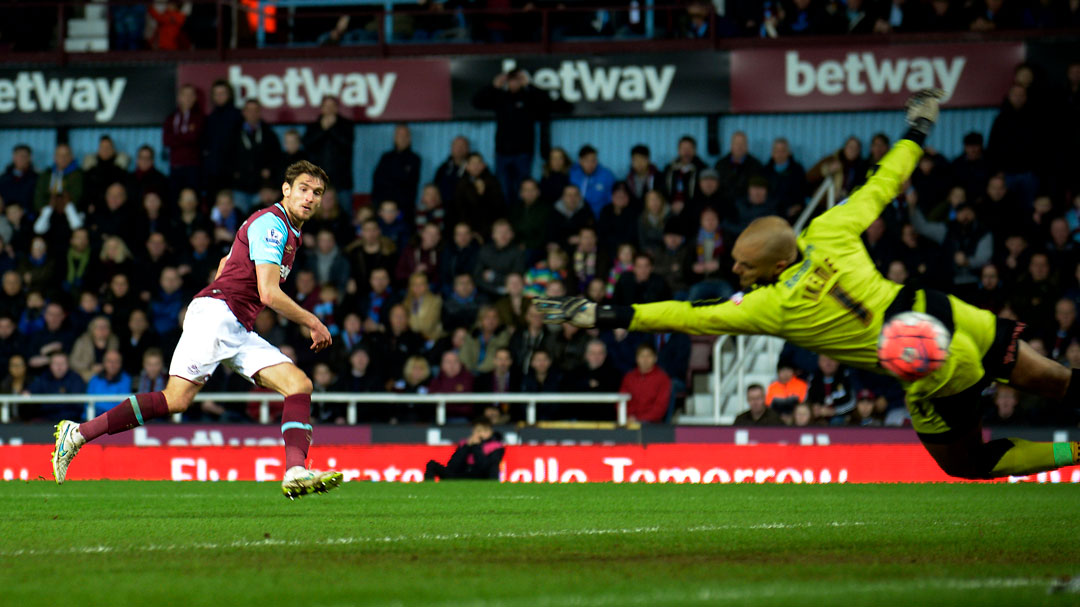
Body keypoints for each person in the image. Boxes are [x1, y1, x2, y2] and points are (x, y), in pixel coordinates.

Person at [537, 90, 1080, 480]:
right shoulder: (829, 229)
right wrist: (917, 129)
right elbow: (884, 181)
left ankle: (1074, 452)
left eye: (744, 268)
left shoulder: (772, 307)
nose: (736, 275)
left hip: (928, 365)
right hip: (944, 312)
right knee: (1057, 381)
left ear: (772, 268)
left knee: (969, 464)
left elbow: (687, 315)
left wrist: (603, 314)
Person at [52, 161, 343, 499]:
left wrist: (226, 285)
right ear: (286, 189)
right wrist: (313, 321)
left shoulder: (289, 230)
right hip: (220, 316)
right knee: (177, 399)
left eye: (317, 192)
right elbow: (268, 293)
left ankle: (295, 471)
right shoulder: (273, 226)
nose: (309, 197)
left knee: (295, 384)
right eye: (303, 188)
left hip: (232, 321)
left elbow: (226, 263)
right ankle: (78, 434)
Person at [472, 68, 567, 202]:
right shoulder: (500, 97)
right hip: (502, 153)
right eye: (511, 80)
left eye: (517, 80)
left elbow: (546, 101)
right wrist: (494, 86)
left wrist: (529, 85)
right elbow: (477, 102)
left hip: (523, 153)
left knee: (522, 190)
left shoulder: (529, 98)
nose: (514, 83)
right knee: (503, 190)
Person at [303, 97, 354, 217]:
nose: (329, 109)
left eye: (332, 106)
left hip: (342, 181)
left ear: (337, 108)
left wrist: (331, 128)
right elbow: (307, 144)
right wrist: (323, 129)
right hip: (318, 181)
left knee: (345, 215)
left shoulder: (346, 126)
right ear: (321, 108)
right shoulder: (314, 126)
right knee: (315, 215)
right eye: (326, 106)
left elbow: (346, 144)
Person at [231, 99, 282, 213]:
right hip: (240, 186)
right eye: (249, 110)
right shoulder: (234, 133)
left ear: (260, 112)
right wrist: (234, 173)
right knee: (241, 221)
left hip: (261, 188)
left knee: (259, 219)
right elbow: (227, 156)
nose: (252, 113)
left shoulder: (269, 133)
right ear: (244, 112)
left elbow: (277, 157)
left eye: (255, 110)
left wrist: (269, 170)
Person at [424, 418, 505, 481]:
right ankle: (428, 489)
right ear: (473, 431)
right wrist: (466, 447)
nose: (481, 434)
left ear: (491, 432)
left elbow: (484, 466)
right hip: (462, 474)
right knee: (431, 464)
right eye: (478, 431)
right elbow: (452, 466)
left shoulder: (496, 446)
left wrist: (476, 446)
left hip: (481, 476)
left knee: (494, 465)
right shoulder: (464, 444)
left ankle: (492, 488)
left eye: (484, 431)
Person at [371, 124, 422, 219]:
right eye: (399, 135)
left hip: (404, 208)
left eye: (405, 135)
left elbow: (409, 183)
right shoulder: (386, 157)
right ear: (394, 138)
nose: (402, 138)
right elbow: (378, 181)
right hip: (384, 206)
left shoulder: (415, 159)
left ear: (409, 138)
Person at [162, 84, 204, 198]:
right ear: (179, 98)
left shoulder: (200, 118)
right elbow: (167, 141)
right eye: (185, 95)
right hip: (175, 166)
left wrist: (178, 137)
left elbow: (195, 138)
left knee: (194, 197)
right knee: (175, 199)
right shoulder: (171, 118)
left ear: (195, 98)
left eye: (191, 95)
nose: (188, 98)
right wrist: (186, 136)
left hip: (193, 167)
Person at [619, 342, 671, 424]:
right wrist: (630, 416)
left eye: (649, 356)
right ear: (636, 359)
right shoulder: (629, 377)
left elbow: (660, 407)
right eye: (642, 356)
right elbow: (621, 400)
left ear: (655, 358)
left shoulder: (663, 378)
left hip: (652, 425)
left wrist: (640, 419)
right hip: (629, 422)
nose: (645, 360)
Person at [569, 145, 616, 219]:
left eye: (593, 160)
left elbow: (611, 200)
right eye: (586, 161)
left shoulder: (606, 175)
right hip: (576, 218)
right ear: (580, 161)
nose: (590, 164)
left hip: (599, 218)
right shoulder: (573, 173)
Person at [86, 350, 132, 417]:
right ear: (104, 363)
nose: (112, 365)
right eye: (109, 361)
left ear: (121, 364)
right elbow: (88, 404)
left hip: (117, 421)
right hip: (94, 420)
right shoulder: (95, 380)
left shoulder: (126, 379)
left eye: (116, 361)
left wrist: (101, 407)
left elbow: (123, 406)